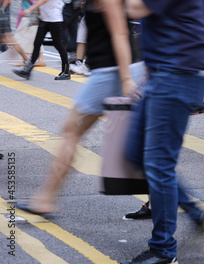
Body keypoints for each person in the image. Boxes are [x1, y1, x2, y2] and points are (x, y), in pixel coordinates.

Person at [15, 0, 145, 215]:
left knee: (71, 131)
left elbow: (120, 33)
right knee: (137, 140)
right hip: (113, 71)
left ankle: (46, 198)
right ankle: (176, 203)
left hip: (109, 74)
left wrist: (125, 79)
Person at [123, 0, 204, 263]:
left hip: (179, 73)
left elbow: (135, 8)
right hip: (162, 71)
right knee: (134, 154)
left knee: (158, 164)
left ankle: (163, 250)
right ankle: (195, 213)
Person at [13, 0, 71, 80]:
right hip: (44, 18)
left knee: (58, 45)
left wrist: (30, 9)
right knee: (37, 43)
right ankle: (27, 70)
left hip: (54, 19)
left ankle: (66, 71)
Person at [11, 0, 46, 67]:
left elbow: (35, 2)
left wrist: (29, 10)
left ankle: (26, 59)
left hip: (30, 16)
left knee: (21, 37)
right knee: (33, 38)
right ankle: (40, 60)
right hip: (30, 15)